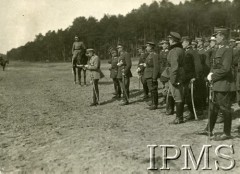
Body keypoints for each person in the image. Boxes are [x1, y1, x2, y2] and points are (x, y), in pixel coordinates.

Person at [197, 27, 236, 141]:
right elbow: (214, 66)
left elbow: (226, 69)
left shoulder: (227, 49)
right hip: (217, 83)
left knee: (225, 108)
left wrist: (213, 76)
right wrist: (210, 75)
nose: (215, 38)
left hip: (224, 83)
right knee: (213, 107)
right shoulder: (218, 49)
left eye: (217, 36)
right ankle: (209, 129)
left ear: (222, 36)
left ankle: (227, 133)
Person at [167, 32, 185, 124]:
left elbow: (174, 67)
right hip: (180, 74)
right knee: (179, 95)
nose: (169, 40)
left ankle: (179, 118)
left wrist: (173, 79)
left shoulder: (174, 51)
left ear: (173, 40)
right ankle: (179, 117)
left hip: (176, 76)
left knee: (177, 97)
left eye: (170, 39)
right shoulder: (180, 50)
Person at [181, 36, 197, 121]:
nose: (182, 44)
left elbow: (197, 66)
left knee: (190, 97)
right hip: (186, 77)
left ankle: (194, 113)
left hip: (191, 77)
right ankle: (192, 112)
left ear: (187, 42)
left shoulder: (192, 52)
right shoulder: (186, 52)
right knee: (187, 96)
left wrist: (194, 77)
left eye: (183, 42)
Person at [143, 42, 159, 110]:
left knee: (153, 90)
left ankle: (155, 104)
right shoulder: (149, 55)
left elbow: (156, 67)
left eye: (147, 46)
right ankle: (153, 102)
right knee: (151, 90)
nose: (146, 48)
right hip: (148, 74)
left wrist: (154, 77)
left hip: (151, 75)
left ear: (151, 47)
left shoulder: (154, 55)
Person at [158, 40, 170, 106]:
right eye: (162, 44)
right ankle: (164, 98)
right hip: (162, 71)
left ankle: (167, 99)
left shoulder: (169, 52)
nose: (163, 45)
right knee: (163, 86)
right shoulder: (161, 52)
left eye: (164, 44)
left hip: (166, 71)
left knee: (167, 86)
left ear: (167, 45)